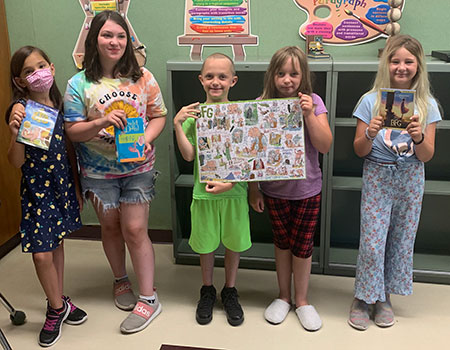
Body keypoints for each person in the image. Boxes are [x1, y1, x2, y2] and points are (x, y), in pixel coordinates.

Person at [63, 10, 167, 334]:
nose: (115, 42)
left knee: (134, 229)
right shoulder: (78, 83)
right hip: (96, 172)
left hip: (137, 168)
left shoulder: (143, 77)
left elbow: (159, 115)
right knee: (109, 228)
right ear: (95, 38)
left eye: (121, 36)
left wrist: (146, 141)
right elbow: (72, 131)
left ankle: (149, 299)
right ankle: (121, 280)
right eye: (108, 35)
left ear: (128, 40)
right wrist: (99, 123)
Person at [348, 35, 441, 331]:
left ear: (418, 66)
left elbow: (426, 155)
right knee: (373, 242)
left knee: (400, 239)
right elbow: (359, 150)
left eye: (408, 61)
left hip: (411, 175)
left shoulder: (427, 104)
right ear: (386, 64)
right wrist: (370, 133)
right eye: (395, 60)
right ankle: (363, 297)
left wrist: (418, 136)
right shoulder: (369, 101)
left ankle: (383, 297)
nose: (401, 67)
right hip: (378, 173)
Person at [6, 46, 87, 347]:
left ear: (52, 68)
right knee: (42, 254)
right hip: (37, 191)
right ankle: (56, 308)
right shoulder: (20, 109)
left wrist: (76, 188)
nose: (37, 73)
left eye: (41, 66)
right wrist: (15, 131)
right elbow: (15, 162)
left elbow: (69, 151)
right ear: (19, 80)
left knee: (57, 244)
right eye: (28, 71)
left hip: (62, 186)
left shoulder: (61, 104)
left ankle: (59, 298)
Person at [249, 46, 332, 331]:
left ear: (303, 76)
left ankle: (302, 300)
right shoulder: (262, 103)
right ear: (272, 76)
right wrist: (254, 189)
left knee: (303, 246)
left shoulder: (315, 102)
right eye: (281, 73)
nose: (287, 80)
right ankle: (283, 296)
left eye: (294, 74)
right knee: (282, 244)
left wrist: (308, 114)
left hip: (307, 190)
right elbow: (252, 151)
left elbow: (325, 145)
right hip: (274, 191)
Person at [173, 53, 251, 327]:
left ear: (233, 80)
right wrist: (178, 125)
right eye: (209, 76)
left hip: (234, 193)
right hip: (204, 193)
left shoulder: (241, 114)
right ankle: (207, 289)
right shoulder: (194, 116)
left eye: (222, 77)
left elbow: (247, 155)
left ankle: (229, 290)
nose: (215, 82)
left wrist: (231, 182)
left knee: (233, 243)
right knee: (205, 245)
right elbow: (189, 156)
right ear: (201, 80)